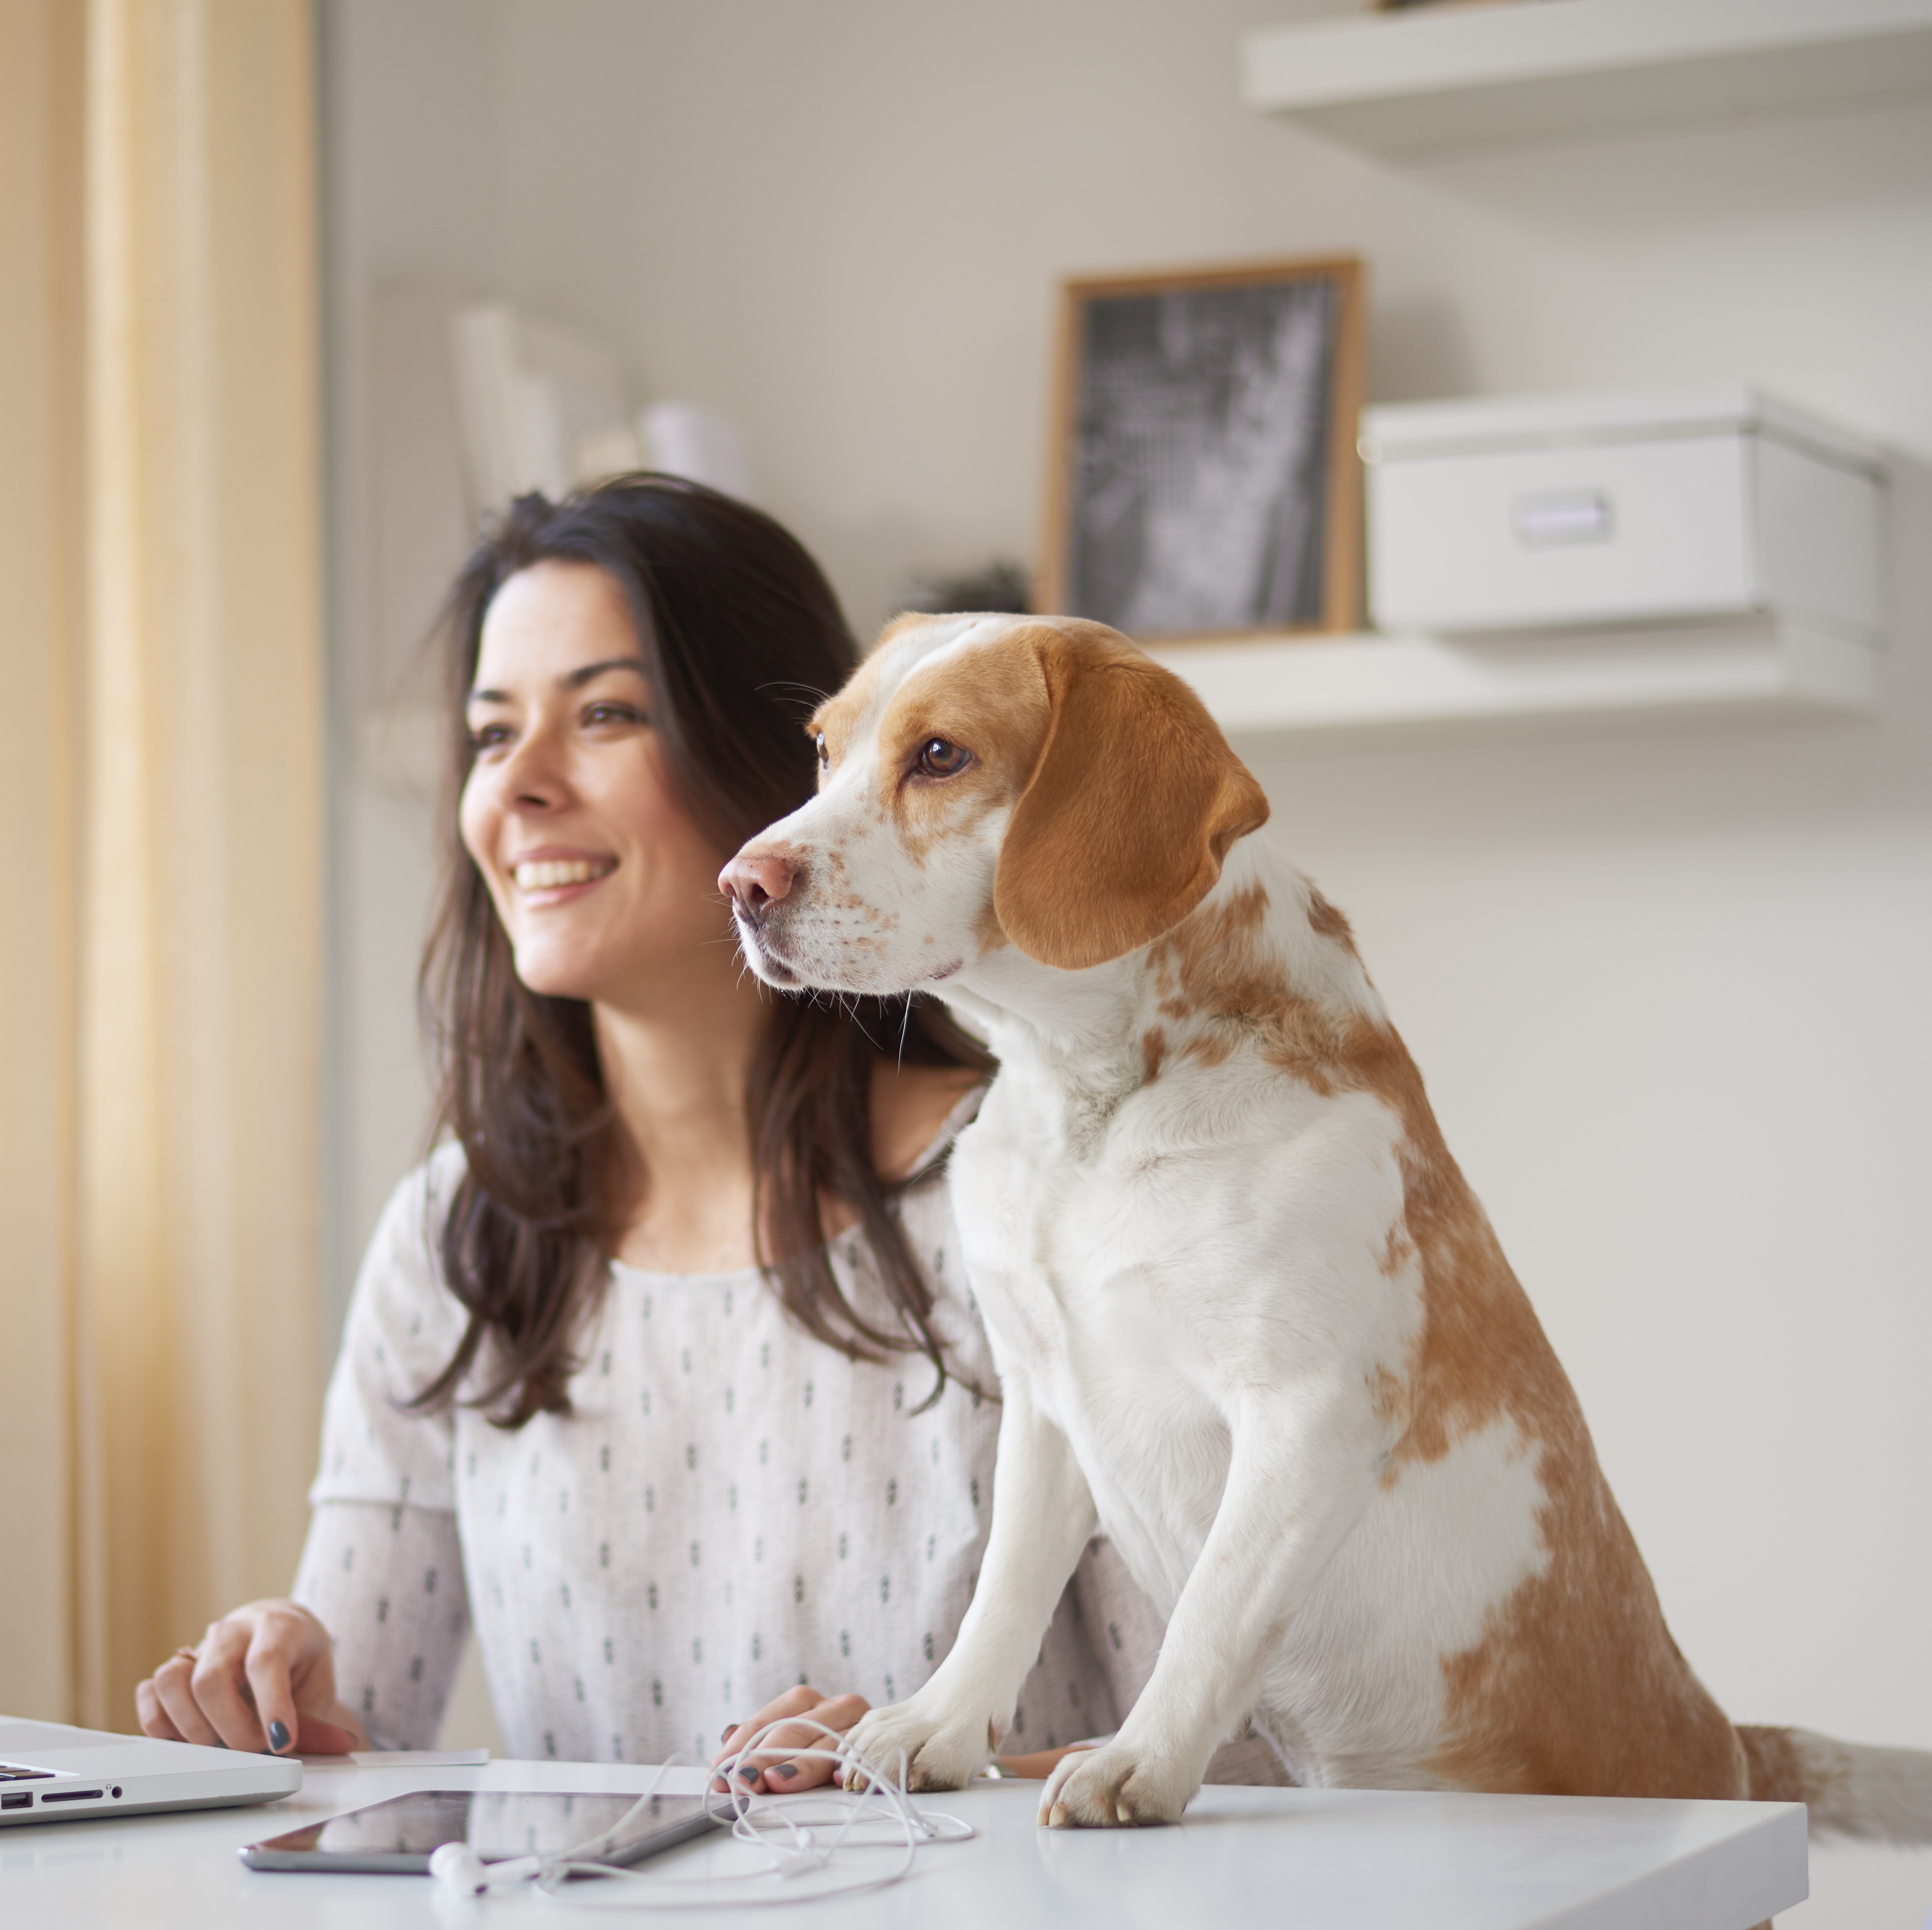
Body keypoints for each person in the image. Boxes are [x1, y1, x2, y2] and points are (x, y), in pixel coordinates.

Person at [135, 476, 1203, 1793]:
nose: (517, 788)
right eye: (488, 734)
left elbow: (1242, 1765)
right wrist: (279, 1692)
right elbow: (359, 1737)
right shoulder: (453, 1237)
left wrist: (915, 1769)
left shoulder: (1042, 1204)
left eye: (605, 716)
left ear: (784, 765)